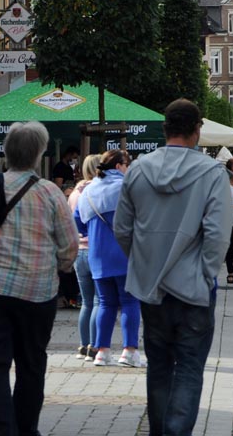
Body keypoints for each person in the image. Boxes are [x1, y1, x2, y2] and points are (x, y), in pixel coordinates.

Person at [0, 122, 78, 436]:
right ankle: (27, 429)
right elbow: (69, 245)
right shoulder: (51, 193)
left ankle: (4, 430)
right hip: (38, 292)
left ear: (6, 152)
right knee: (32, 364)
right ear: (39, 154)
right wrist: (59, 268)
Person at [113, 99, 230, 436]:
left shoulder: (137, 169)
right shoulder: (211, 173)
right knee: (190, 368)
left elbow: (122, 229)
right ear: (197, 130)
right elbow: (217, 235)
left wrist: (145, 262)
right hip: (193, 288)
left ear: (165, 129)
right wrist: (205, 274)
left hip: (152, 289)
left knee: (159, 366)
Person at [77, 149, 144, 368]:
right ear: (119, 167)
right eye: (127, 164)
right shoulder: (126, 188)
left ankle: (102, 351)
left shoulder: (88, 190)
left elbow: (78, 223)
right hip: (124, 253)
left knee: (105, 302)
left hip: (97, 255)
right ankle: (129, 351)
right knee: (130, 302)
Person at [68, 154, 102, 359]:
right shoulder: (98, 189)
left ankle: (83, 345)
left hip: (78, 250)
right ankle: (95, 346)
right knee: (100, 301)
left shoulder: (75, 192)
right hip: (95, 248)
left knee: (87, 302)